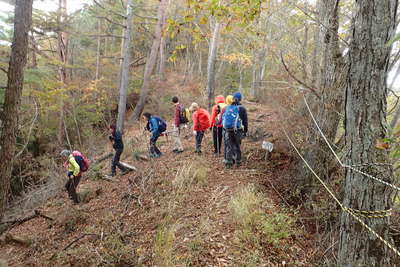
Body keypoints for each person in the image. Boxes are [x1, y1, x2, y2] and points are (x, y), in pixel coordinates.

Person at [222, 92, 248, 168]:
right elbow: (245, 121)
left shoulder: (227, 107)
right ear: (240, 99)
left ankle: (228, 163)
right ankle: (238, 162)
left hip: (228, 130)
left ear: (233, 99)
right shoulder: (242, 108)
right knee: (237, 146)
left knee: (229, 146)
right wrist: (245, 131)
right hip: (238, 130)